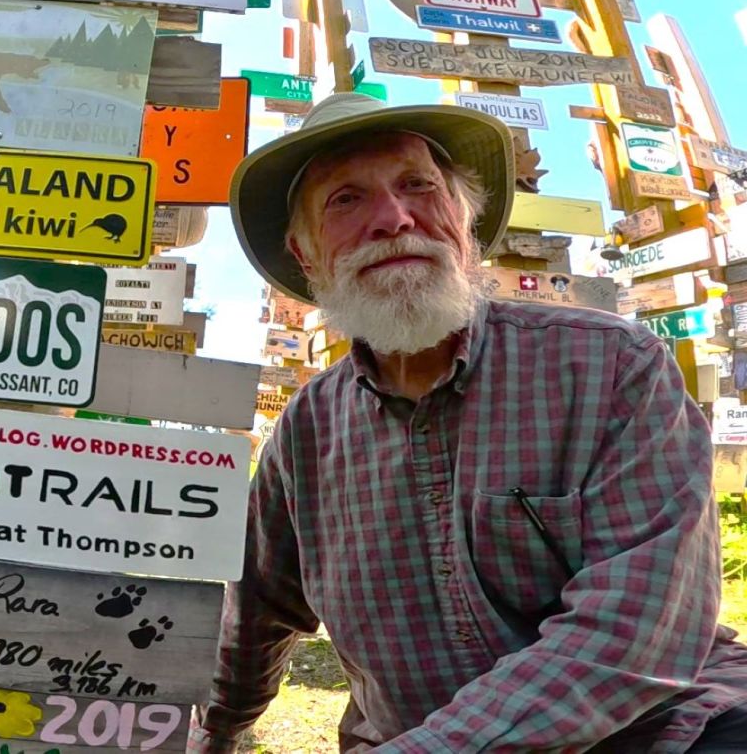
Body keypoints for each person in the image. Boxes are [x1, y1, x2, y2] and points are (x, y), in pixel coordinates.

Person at [190, 93, 747, 753]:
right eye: (346, 200)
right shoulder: (304, 435)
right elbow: (253, 615)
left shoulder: (610, 365)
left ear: (465, 223)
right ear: (306, 257)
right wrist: (209, 735)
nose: (395, 219)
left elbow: (638, 622)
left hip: (665, 731)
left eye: (418, 186)